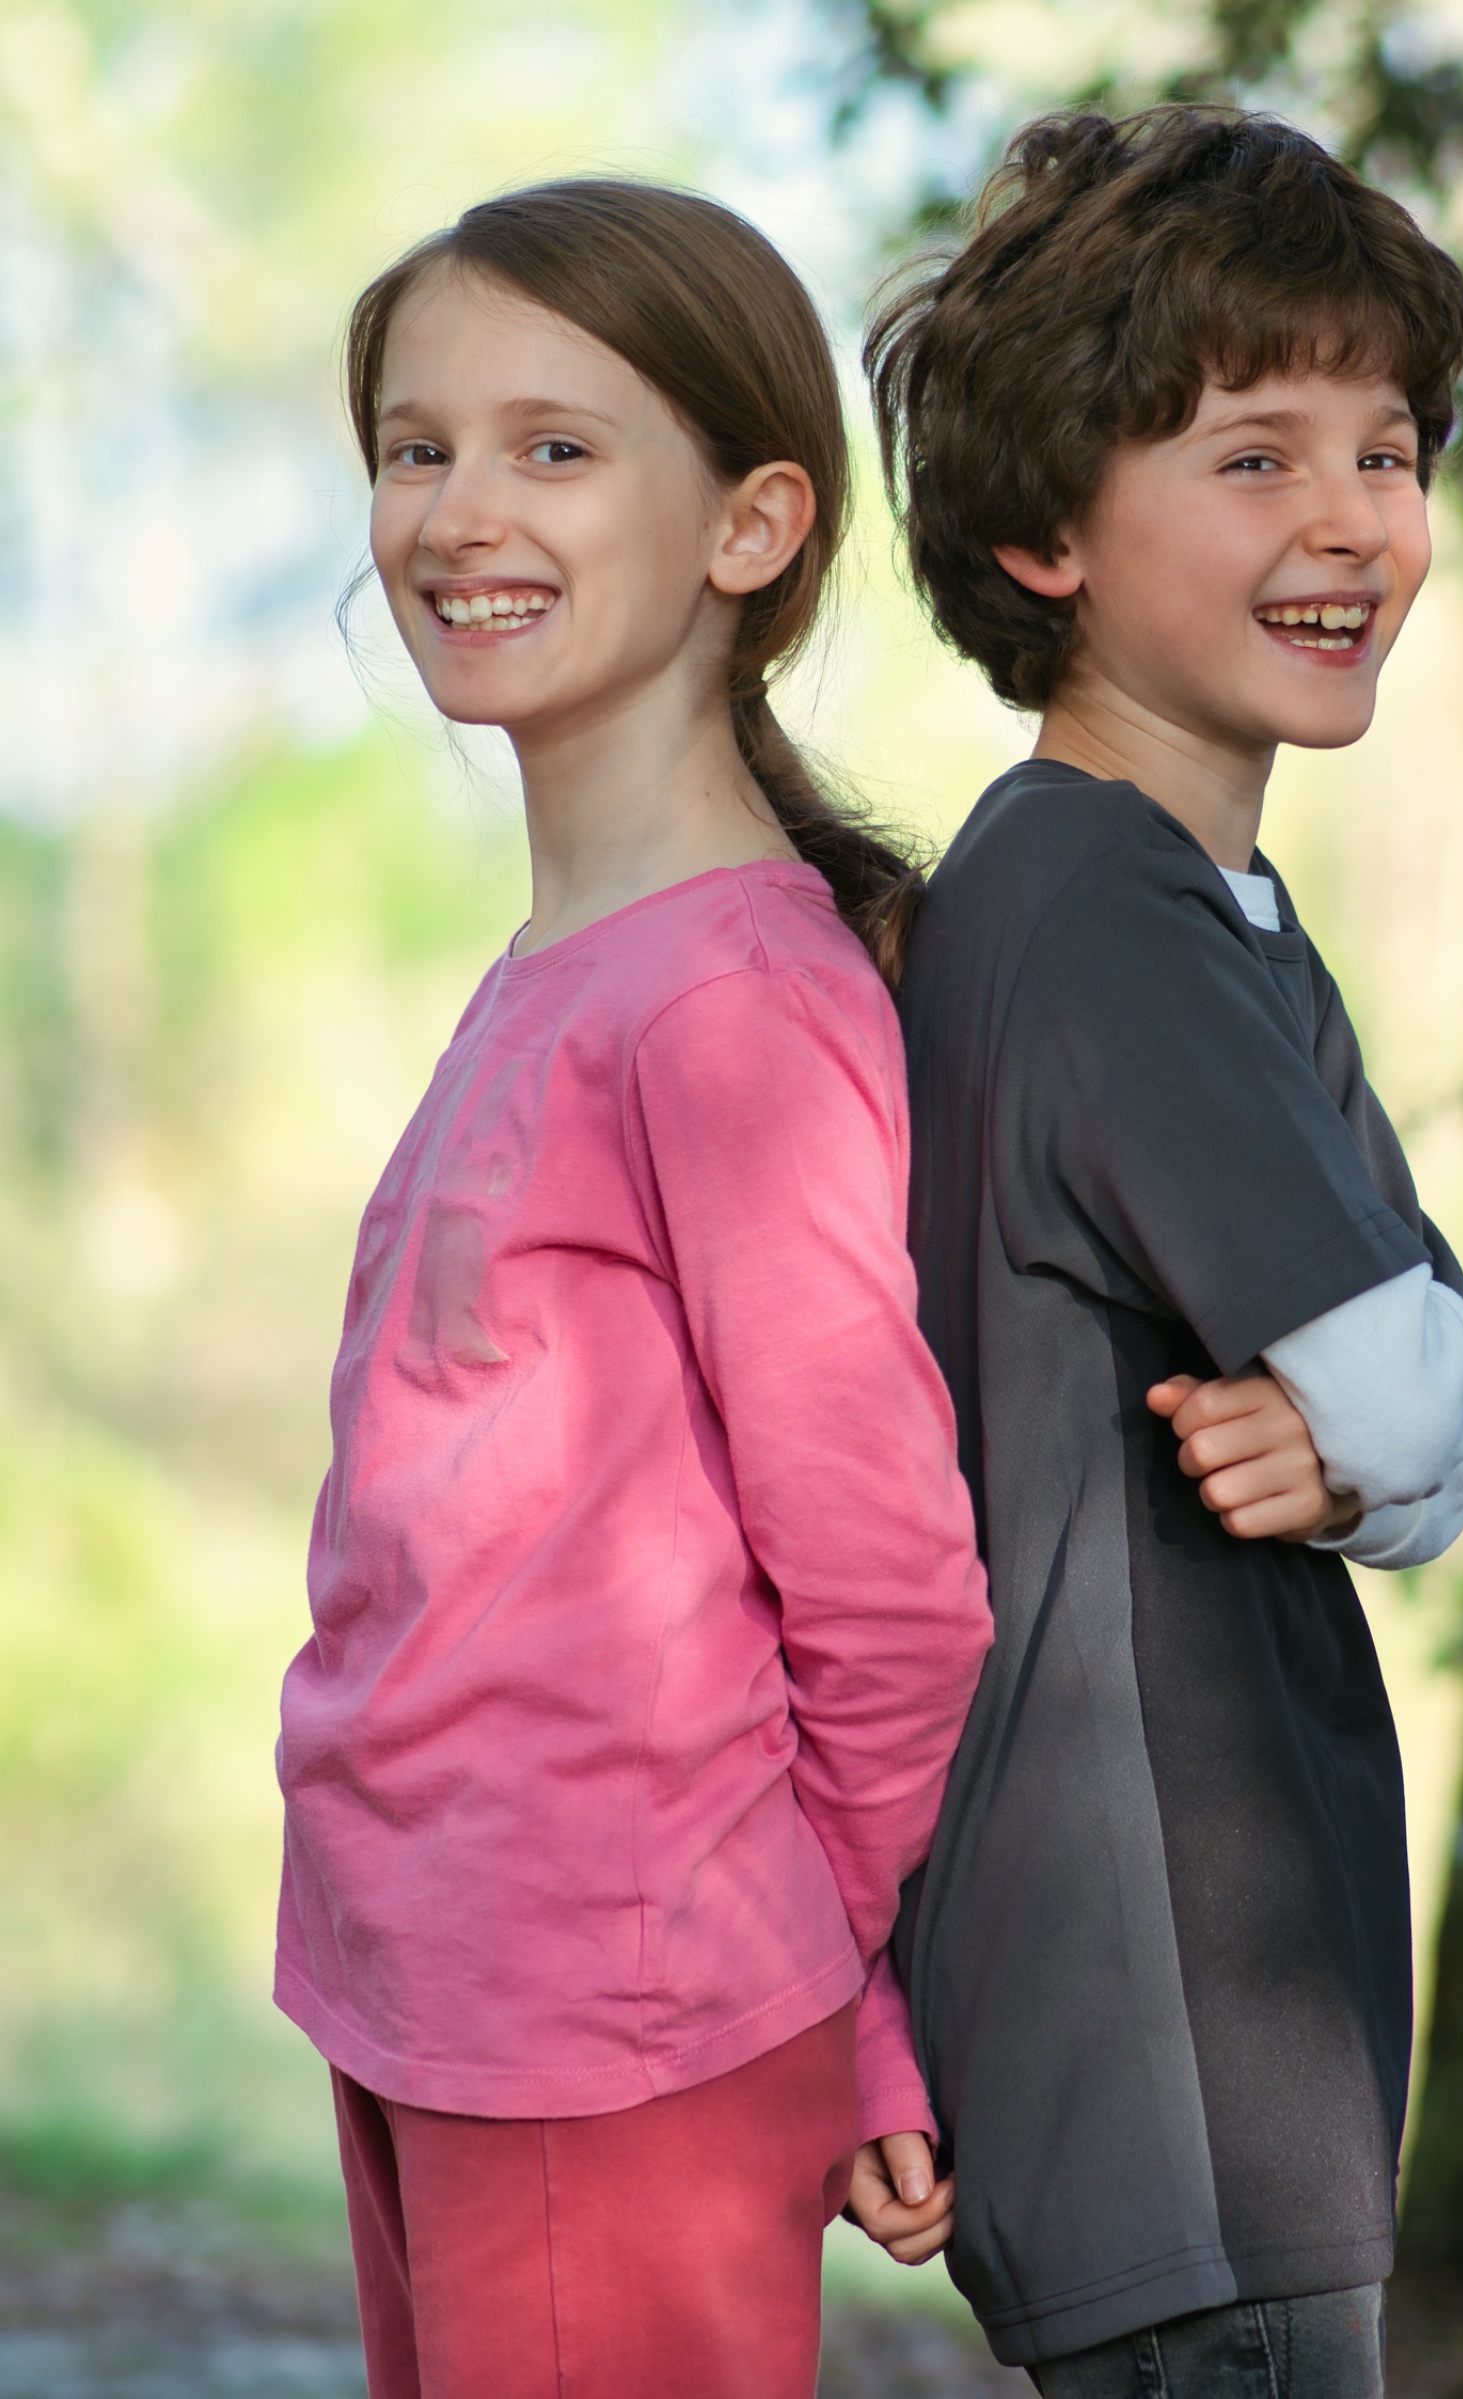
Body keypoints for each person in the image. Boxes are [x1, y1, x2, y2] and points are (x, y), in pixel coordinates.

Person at [274, 179, 991, 2399]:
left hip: (617, 2024)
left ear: (753, 525)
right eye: (416, 446)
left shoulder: (730, 1004)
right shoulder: (565, 971)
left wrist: (847, 1990)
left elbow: (885, 1600)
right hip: (435, 1986)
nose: (458, 508)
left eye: (555, 446)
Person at [864, 107, 1463, 2396]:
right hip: (1168, 2056)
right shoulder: (1100, 902)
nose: (1356, 519)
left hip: (1215, 2071)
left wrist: (1381, 1446)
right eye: (1256, 457)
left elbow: (1442, 1405)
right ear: (1042, 526)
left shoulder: (1213, 909)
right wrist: (1396, 1432)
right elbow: (1426, 1384)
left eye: (1393, 446)